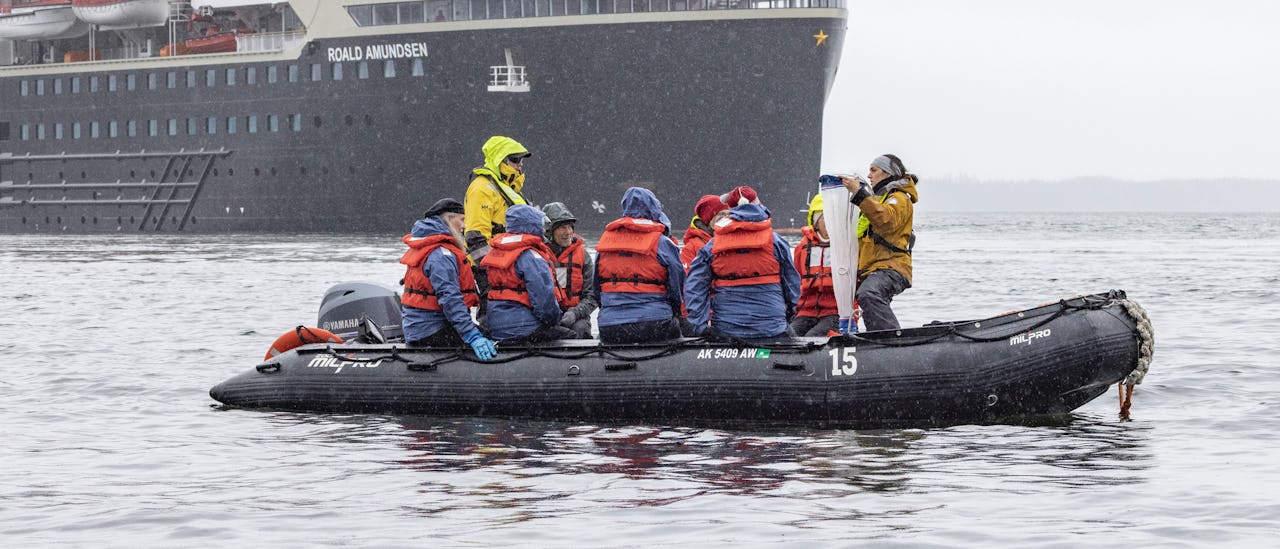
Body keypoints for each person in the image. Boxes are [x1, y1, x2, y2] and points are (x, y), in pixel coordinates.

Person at [685, 186, 801, 340]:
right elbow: (792, 285)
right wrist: (788, 313)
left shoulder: (712, 246)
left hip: (727, 330)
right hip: (771, 328)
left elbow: (695, 286)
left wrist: (700, 326)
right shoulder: (776, 242)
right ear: (758, 204)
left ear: (731, 209)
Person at [398, 198, 498, 360]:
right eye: (462, 220)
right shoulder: (441, 254)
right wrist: (471, 335)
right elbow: (450, 299)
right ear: (449, 219)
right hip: (430, 331)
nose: (465, 226)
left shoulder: (431, 247)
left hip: (421, 328)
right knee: (493, 338)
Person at [594, 187, 686, 343]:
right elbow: (677, 287)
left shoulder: (604, 244)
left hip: (610, 326)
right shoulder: (663, 243)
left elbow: (596, 289)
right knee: (679, 328)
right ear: (654, 209)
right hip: (654, 323)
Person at [841, 154, 918, 331]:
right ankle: (878, 342)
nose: (869, 175)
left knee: (869, 294)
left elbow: (886, 221)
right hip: (872, 269)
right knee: (868, 300)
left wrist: (859, 194)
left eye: (874, 170)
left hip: (891, 268)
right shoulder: (877, 200)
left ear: (888, 173)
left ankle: (892, 341)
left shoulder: (899, 199)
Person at [479, 204, 577, 343]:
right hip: (524, 328)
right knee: (571, 337)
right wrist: (554, 320)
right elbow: (544, 299)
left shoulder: (496, 252)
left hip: (497, 327)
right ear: (532, 225)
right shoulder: (531, 256)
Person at [463, 135, 533, 321]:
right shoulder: (482, 188)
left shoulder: (506, 189)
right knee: (492, 311)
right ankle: (489, 343)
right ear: (500, 160)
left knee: (510, 311)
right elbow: (474, 236)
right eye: (515, 160)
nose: (520, 165)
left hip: (509, 264)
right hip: (491, 267)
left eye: (521, 160)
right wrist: (489, 269)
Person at [541, 202, 598, 339]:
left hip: (577, 316)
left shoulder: (583, 256)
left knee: (581, 329)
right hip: (546, 317)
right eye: (562, 227)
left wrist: (574, 313)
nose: (568, 232)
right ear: (549, 232)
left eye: (569, 227)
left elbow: (592, 296)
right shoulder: (538, 256)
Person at [789, 194, 841, 336]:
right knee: (790, 336)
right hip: (806, 310)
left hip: (834, 312)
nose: (830, 221)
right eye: (825, 217)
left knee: (812, 337)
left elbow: (854, 284)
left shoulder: (844, 247)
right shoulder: (803, 247)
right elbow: (795, 280)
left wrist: (852, 316)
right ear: (816, 221)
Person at [680, 194, 729, 271]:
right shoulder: (692, 247)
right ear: (708, 219)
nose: (726, 219)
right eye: (721, 215)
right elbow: (687, 277)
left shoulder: (731, 240)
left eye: (728, 215)